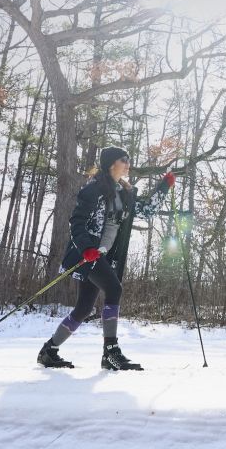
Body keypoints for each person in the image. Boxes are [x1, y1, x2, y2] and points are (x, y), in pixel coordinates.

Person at [37, 146, 174, 371]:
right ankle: (110, 352)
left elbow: (147, 211)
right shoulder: (94, 190)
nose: (128, 162)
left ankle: (48, 351)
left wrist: (164, 187)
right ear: (112, 164)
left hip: (102, 256)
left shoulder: (124, 192)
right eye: (124, 159)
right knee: (114, 289)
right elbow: (77, 221)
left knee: (83, 308)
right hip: (88, 254)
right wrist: (86, 248)